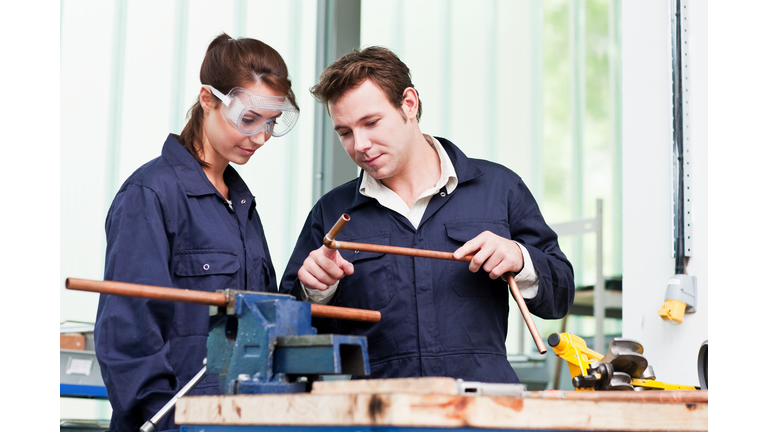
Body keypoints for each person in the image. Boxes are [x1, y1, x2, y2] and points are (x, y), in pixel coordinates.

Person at [280, 46, 574, 384]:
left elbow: (561, 298)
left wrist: (521, 259)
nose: (359, 144)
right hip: (379, 413)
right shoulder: (331, 212)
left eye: (371, 122)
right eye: (344, 132)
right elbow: (287, 340)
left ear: (409, 103)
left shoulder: (498, 189)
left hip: (483, 411)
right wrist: (316, 291)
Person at [93, 33, 299, 432]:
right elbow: (128, 337)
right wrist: (166, 424)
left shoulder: (241, 204)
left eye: (271, 123)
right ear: (208, 98)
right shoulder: (150, 194)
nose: (260, 137)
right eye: (248, 119)